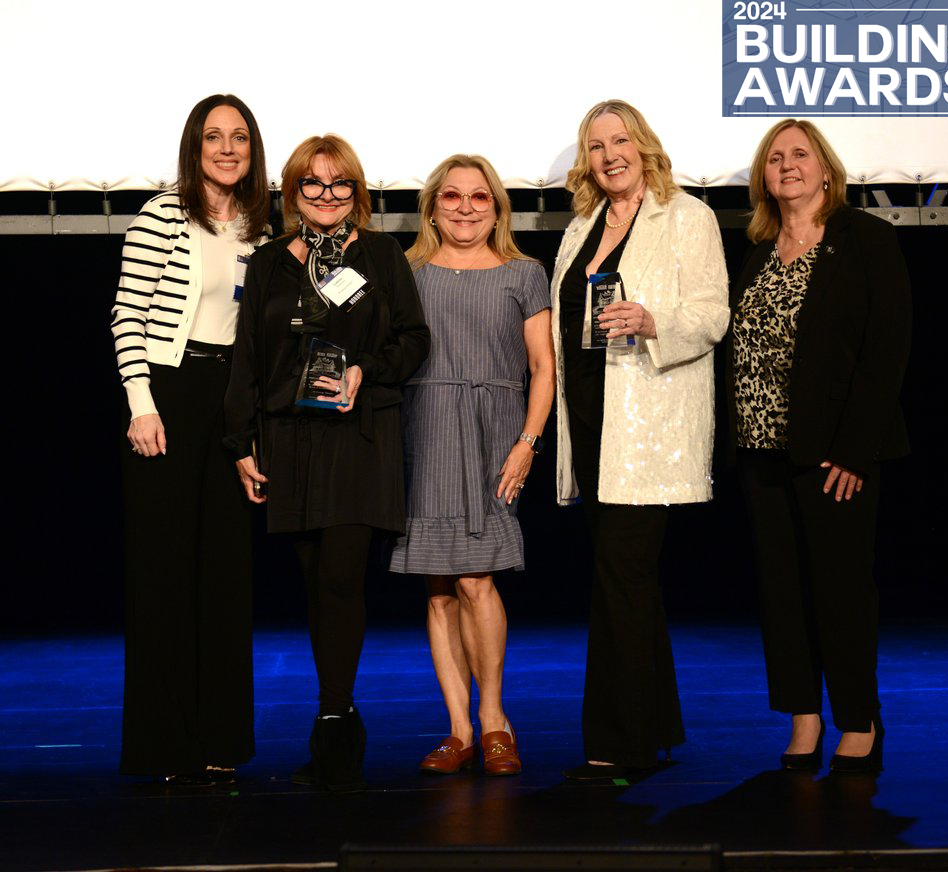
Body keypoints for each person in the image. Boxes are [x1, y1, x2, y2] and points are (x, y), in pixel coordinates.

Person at [224, 134, 429, 791]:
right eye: (313, 184)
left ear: (357, 192)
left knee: (341, 579)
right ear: (292, 191)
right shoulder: (268, 267)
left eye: (340, 184)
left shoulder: (381, 255)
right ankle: (335, 715)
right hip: (291, 440)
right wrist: (242, 443)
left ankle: (337, 723)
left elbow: (414, 339)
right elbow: (248, 361)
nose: (327, 195)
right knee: (317, 587)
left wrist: (367, 371)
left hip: (358, 438)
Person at [551, 100, 730, 778]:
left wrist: (655, 321)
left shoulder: (688, 217)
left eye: (619, 140)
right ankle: (653, 725)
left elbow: (714, 313)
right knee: (626, 579)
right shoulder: (578, 229)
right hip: (592, 425)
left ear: (643, 145)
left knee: (621, 575)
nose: (608, 155)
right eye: (595, 146)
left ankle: (619, 738)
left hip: (648, 425)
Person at [728, 119, 911, 773]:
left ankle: (859, 719)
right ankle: (804, 716)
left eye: (800, 154)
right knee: (782, 590)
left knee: (840, 589)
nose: (787, 165)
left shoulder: (866, 240)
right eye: (775, 157)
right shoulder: (754, 251)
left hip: (834, 454)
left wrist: (854, 451)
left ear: (826, 169)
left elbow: (885, 353)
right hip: (760, 450)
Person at [112, 93, 271, 785]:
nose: (227, 148)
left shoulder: (265, 228)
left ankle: (220, 740)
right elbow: (127, 317)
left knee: (226, 573)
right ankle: (163, 743)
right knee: (164, 572)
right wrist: (141, 404)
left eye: (239, 137)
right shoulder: (161, 214)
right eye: (214, 137)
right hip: (170, 398)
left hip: (232, 404)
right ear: (194, 146)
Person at [390, 155, 555, 776]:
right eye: (452, 197)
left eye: (478, 197)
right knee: (438, 587)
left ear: (497, 207)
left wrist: (528, 441)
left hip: (494, 434)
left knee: (477, 579)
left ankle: (494, 719)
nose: (464, 208)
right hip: (424, 429)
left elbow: (543, 367)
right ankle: (458, 729)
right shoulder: (408, 272)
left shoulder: (523, 273)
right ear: (432, 206)